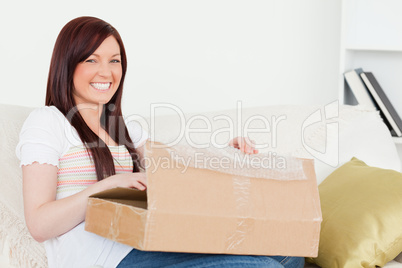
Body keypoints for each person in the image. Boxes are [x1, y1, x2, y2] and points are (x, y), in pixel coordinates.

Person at [16, 16, 304, 268]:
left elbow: (177, 166)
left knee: (289, 253)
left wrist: (229, 153)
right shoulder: (48, 122)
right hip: (101, 258)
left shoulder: (124, 128)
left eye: (114, 61)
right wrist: (106, 187)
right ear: (68, 65)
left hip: (143, 241)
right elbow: (40, 224)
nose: (106, 72)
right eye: (91, 59)